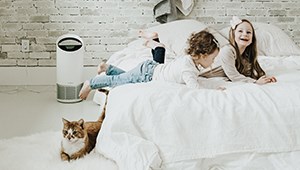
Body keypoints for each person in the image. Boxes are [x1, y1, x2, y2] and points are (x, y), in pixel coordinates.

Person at [79, 30, 220, 100]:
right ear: (203, 55)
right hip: (148, 76)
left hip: (151, 68)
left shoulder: (187, 59)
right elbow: (195, 90)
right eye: (213, 58)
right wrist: (214, 92)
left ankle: (107, 68)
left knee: (126, 77)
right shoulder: (188, 70)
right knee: (119, 81)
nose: (213, 62)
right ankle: (90, 83)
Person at [201, 16, 277, 84]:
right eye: (240, 31)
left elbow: (256, 71)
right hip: (201, 73)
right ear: (233, 34)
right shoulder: (227, 50)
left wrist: (266, 78)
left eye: (249, 32)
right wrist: (255, 82)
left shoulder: (247, 54)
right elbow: (233, 76)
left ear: (252, 38)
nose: (245, 34)